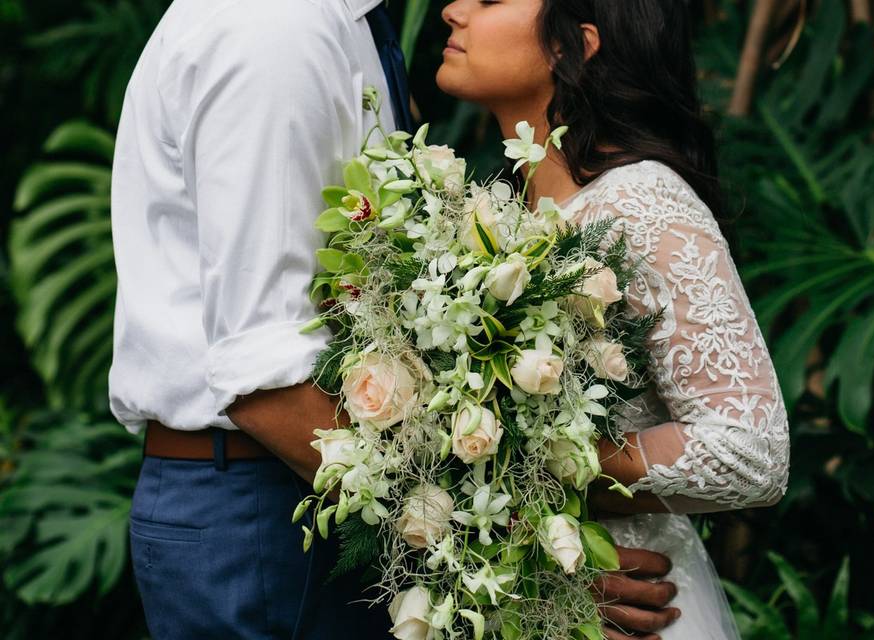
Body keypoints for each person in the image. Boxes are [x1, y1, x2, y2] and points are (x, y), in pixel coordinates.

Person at [109, 0, 678, 637]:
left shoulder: (340, 26)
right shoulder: (275, 27)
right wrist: (526, 560)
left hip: (319, 494)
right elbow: (262, 377)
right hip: (268, 513)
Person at [436, 1, 791, 639]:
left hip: (628, 609)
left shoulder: (640, 200)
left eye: (491, 0)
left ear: (574, 47)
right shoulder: (495, 215)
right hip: (508, 595)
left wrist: (541, 469)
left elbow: (750, 451)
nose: (454, 9)